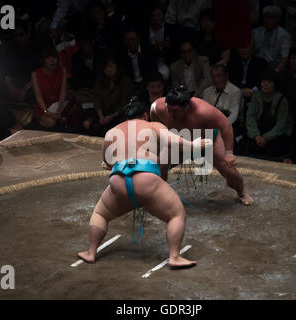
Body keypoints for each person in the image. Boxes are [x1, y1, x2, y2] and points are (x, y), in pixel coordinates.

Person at [78, 96, 212, 266]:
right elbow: (172, 140)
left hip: (118, 180)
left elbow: (107, 161)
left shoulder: (111, 132)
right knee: (177, 214)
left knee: (100, 213)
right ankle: (175, 257)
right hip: (146, 178)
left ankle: (90, 252)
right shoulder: (152, 126)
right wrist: (194, 145)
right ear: (144, 115)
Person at [150, 85, 254, 206]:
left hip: (208, 141)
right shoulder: (159, 107)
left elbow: (225, 126)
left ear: (186, 107)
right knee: (159, 165)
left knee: (229, 170)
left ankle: (241, 193)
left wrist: (229, 153)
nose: (171, 114)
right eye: (169, 109)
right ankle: (158, 195)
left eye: (175, 111)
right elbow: (154, 121)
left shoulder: (204, 111)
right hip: (180, 141)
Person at [246, 70, 293, 158]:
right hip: (259, 132)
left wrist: (265, 138)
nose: (266, 85)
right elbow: (250, 117)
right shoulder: (256, 96)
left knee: (275, 149)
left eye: (269, 82)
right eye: (264, 82)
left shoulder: (282, 99)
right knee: (251, 147)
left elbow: (281, 124)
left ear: (275, 84)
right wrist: (256, 135)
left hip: (276, 134)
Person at [87, 54, 134, 133]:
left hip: (118, 115)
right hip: (103, 114)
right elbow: (96, 97)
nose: (108, 70)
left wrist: (112, 116)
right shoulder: (101, 80)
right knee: (87, 124)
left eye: (111, 66)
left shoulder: (125, 81)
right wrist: (101, 115)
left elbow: (125, 102)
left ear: (116, 66)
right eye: (106, 68)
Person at [31, 46, 68, 128]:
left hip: (58, 104)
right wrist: (46, 112)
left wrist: (59, 109)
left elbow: (63, 92)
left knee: (65, 120)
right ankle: (39, 119)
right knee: (51, 123)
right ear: (43, 60)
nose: (52, 61)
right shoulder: (36, 74)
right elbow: (38, 97)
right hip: (43, 106)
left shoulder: (62, 71)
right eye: (48, 58)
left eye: (54, 57)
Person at [252, 5, 292, 73]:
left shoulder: (284, 35)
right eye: (266, 17)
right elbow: (251, 52)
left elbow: (285, 58)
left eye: (272, 18)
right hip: (256, 65)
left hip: (275, 66)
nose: (269, 21)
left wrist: (275, 71)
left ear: (279, 19)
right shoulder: (255, 32)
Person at [203, 64, 242, 130]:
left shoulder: (235, 91)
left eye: (219, 76)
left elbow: (233, 116)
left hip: (229, 126)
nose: (216, 79)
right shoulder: (207, 92)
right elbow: (205, 114)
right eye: (213, 76)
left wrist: (219, 127)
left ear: (226, 76)